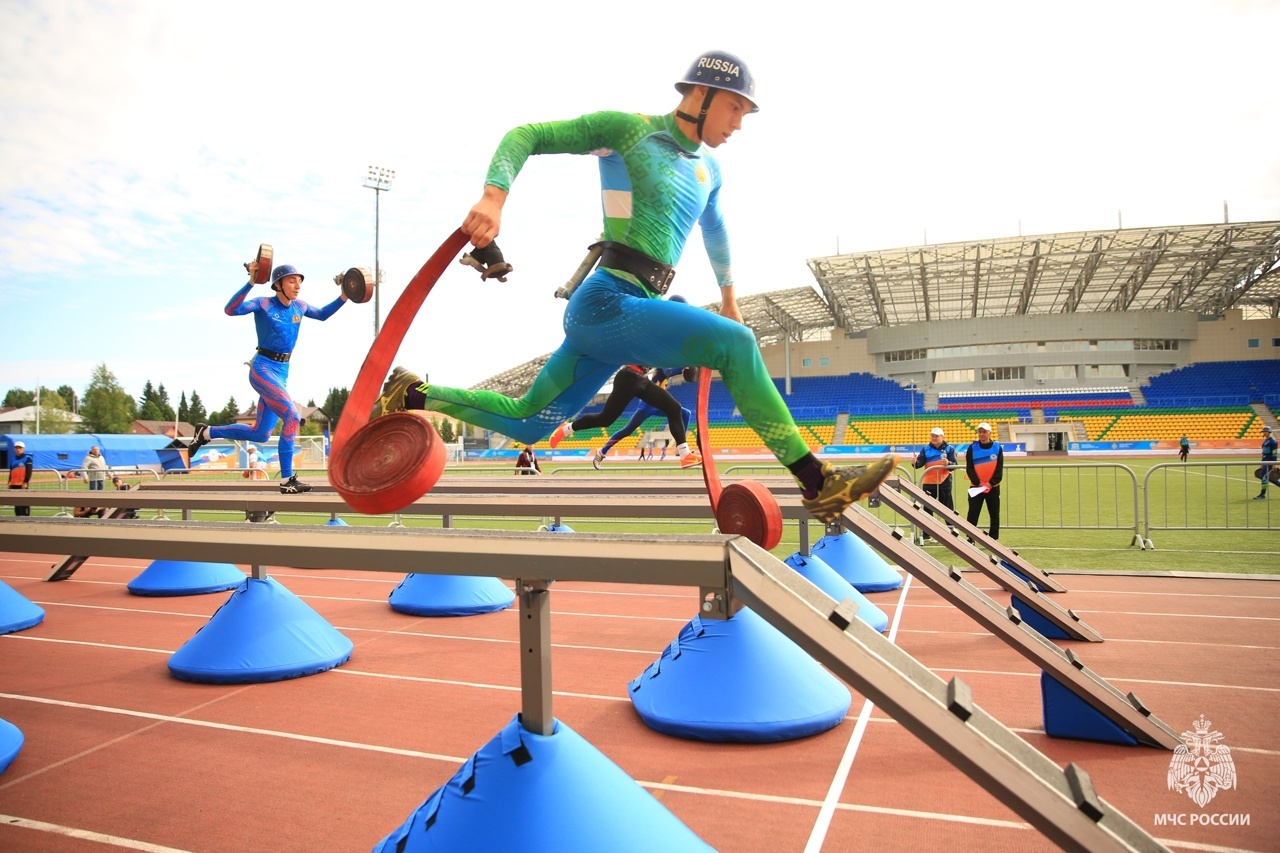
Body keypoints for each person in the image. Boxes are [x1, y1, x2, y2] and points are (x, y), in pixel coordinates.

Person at [370, 51, 895, 523]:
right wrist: (493, 197)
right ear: (700, 94)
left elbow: (715, 230)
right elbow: (526, 135)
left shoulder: (710, 169)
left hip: (628, 310)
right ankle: (818, 482)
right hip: (604, 301)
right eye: (735, 107)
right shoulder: (627, 130)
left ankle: (414, 392)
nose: (740, 122)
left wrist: (731, 299)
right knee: (737, 346)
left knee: (530, 426)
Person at [188, 259, 347, 494]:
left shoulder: (300, 307)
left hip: (282, 373)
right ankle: (287, 479)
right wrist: (251, 281)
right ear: (278, 284)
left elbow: (323, 314)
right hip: (262, 369)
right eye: (292, 280)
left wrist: (344, 295)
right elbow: (230, 310)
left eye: (299, 281)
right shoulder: (263, 303)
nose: (298, 285)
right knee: (292, 416)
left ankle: (207, 432)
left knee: (261, 434)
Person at [550, 364, 700, 470]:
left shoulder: (661, 344)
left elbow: (669, 364)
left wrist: (687, 366)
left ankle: (684, 454)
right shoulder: (649, 334)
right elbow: (668, 368)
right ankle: (567, 428)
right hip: (628, 377)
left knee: (675, 408)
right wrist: (683, 367)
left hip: (642, 380)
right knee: (606, 420)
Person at [912, 427, 957, 538]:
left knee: (947, 508)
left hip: (944, 482)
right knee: (927, 508)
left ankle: (952, 530)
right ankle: (927, 533)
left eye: (936, 436)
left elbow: (954, 465)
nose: (934, 438)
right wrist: (914, 463)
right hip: (929, 482)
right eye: (932, 436)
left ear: (942, 437)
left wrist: (948, 462)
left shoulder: (950, 449)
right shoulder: (925, 449)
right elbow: (919, 464)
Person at [965, 422, 1004, 539]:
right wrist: (979, 483)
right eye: (980, 432)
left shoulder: (997, 447)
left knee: (994, 514)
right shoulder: (972, 447)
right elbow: (969, 467)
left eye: (984, 432)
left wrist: (990, 484)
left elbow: (999, 468)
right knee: (973, 513)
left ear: (989, 433)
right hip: (976, 486)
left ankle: (994, 538)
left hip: (993, 486)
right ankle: (970, 537)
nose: (981, 434)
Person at [8, 440, 33, 516]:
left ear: (23, 448)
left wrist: (25, 482)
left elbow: (29, 471)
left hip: (22, 485)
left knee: (24, 503)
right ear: (14, 449)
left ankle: (26, 518)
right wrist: (9, 483)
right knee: (17, 504)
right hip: (13, 485)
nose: (18, 449)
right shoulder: (13, 460)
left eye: (20, 447)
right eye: (16, 447)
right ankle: (18, 519)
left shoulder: (27, 459)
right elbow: (11, 472)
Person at [1255, 425, 1277, 500]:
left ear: (1269, 432)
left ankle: (1262, 494)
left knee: (1264, 477)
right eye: (1263, 431)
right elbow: (1264, 453)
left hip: (1269, 461)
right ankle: (1262, 494)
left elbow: (1274, 454)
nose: (1264, 433)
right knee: (1270, 478)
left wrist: (1274, 464)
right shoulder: (1265, 441)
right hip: (1265, 461)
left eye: (1265, 431)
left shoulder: (1273, 442)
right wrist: (1262, 463)